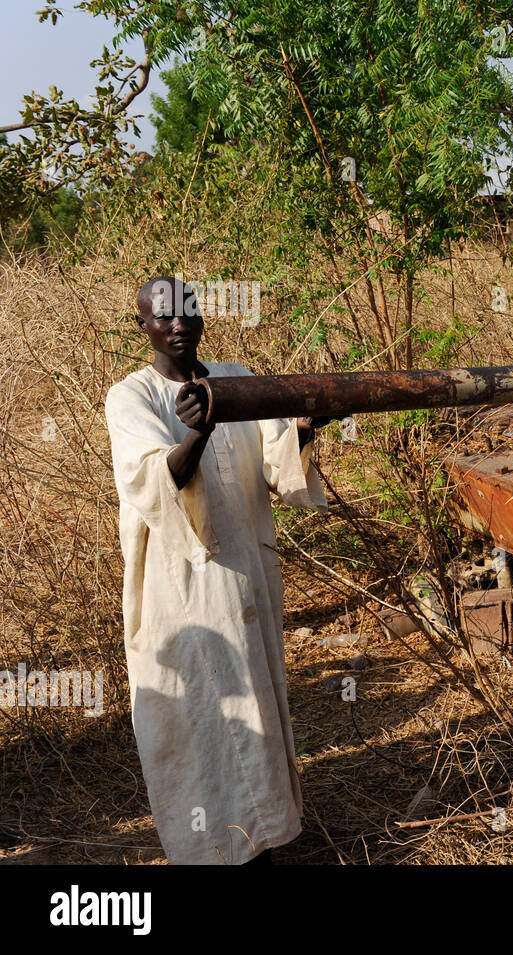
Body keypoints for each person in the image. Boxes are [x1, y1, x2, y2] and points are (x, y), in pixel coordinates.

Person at [104, 276, 329, 864]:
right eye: (162, 317)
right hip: (185, 594)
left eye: (186, 313)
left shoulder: (236, 378)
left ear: (201, 316)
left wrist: (309, 424)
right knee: (203, 719)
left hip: (249, 577)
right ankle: (213, 851)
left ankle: (265, 841)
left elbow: (280, 467)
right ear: (144, 326)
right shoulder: (132, 397)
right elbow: (156, 479)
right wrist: (200, 431)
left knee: (256, 705)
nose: (177, 325)